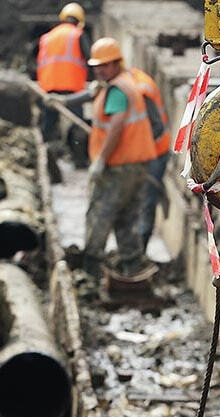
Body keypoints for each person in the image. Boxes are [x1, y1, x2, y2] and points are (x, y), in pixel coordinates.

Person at [81, 37, 156, 277]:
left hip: (118, 167)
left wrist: (101, 160)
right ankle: (133, 268)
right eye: (96, 66)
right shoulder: (126, 81)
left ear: (116, 63)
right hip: (136, 165)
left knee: (99, 213)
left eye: (104, 65)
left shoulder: (116, 91)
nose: (99, 70)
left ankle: (90, 270)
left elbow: (116, 125)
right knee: (126, 219)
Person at [127, 67, 171, 252]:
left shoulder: (139, 90)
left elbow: (157, 127)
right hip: (144, 153)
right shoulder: (129, 80)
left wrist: (135, 150)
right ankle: (133, 248)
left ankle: (140, 250)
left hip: (155, 153)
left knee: (146, 200)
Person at [36, 3, 90, 141]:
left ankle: (48, 147)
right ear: (79, 21)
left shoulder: (47, 37)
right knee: (78, 123)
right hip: (72, 87)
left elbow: (39, 63)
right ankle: (77, 154)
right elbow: (89, 59)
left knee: (50, 122)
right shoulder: (78, 34)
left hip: (48, 87)